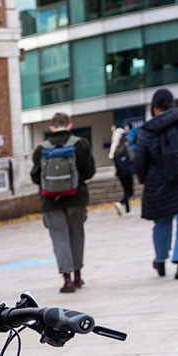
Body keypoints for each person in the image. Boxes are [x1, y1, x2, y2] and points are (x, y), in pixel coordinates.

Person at [133, 88, 178, 281]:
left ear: (155, 107)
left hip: (159, 182)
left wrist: (143, 179)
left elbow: (140, 159)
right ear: (173, 102)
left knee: (161, 223)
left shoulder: (148, 130)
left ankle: (160, 259)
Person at [30, 112, 97, 294]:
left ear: (51, 128)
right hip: (76, 198)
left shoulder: (41, 149)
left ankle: (66, 279)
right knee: (77, 234)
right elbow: (90, 171)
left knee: (59, 238)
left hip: (51, 201)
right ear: (69, 126)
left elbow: (35, 176)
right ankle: (77, 275)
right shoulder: (80, 144)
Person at [109, 123, 135, 215]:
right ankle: (121, 203)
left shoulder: (116, 150)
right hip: (128, 172)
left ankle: (128, 210)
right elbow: (132, 158)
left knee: (126, 191)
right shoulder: (127, 148)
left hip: (120, 173)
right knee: (130, 191)